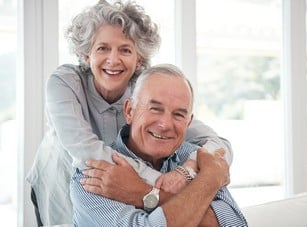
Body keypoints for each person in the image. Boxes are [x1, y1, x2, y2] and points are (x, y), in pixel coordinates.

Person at [26, 1, 233, 226]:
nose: (113, 60)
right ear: (87, 55)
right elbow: (86, 151)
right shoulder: (65, 82)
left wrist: (188, 171)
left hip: (113, 183)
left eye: (125, 50)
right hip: (61, 180)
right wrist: (155, 186)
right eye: (102, 48)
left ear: (139, 59)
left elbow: (218, 144)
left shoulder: (142, 91)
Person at [71, 64, 247, 227]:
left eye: (178, 114)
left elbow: (235, 223)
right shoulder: (93, 174)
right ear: (129, 111)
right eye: (155, 109)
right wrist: (209, 179)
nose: (165, 124)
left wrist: (143, 193)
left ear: (188, 122)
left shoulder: (197, 159)